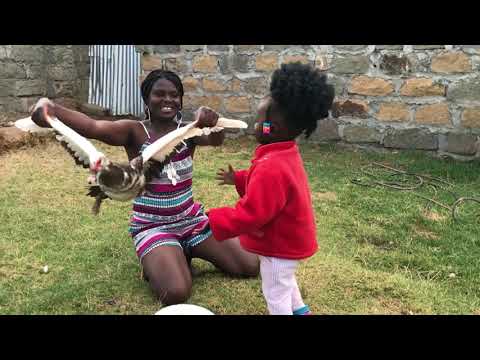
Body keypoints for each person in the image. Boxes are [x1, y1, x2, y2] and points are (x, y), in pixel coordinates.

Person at [31, 69, 259, 305]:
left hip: (191, 220)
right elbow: (92, 126)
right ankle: (159, 258)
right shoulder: (134, 131)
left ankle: (184, 250)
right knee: (176, 292)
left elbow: (214, 140)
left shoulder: (188, 131)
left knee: (249, 265)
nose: (167, 99)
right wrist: (52, 110)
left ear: (181, 100)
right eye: (159, 94)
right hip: (153, 226)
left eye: (174, 95)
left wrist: (212, 122)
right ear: (146, 99)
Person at [208, 62, 335, 315]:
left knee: (275, 291)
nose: (255, 125)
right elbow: (269, 190)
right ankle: (300, 310)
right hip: (289, 240)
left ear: (271, 129)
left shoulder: (271, 166)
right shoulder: (284, 152)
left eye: (258, 121)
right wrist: (240, 179)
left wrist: (213, 219)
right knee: (286, 282)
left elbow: (253, 213)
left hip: (280, 244)